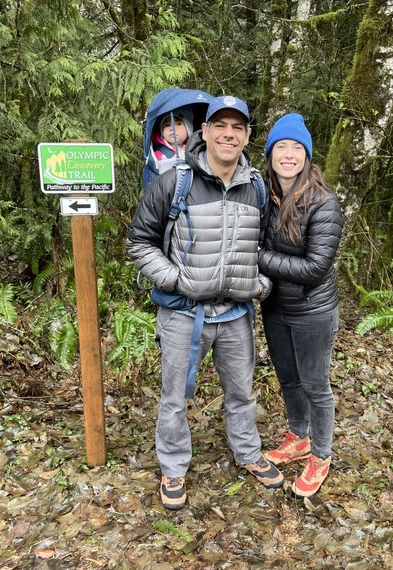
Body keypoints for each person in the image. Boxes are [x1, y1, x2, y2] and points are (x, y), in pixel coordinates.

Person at [127, 95, 283, 510]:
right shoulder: (175, 182)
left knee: (242, 392)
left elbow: (265, 245)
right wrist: (177, 280)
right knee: (174, 397)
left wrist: (260, 283)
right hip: (182, 313)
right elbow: (140, 242)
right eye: (220, 126)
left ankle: (248, 453)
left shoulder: (256, 188)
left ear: (247, 136)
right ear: (205, 131)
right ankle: (173, 467)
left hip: (235, 314)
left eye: (237, 128)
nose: (228, 134)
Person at [258, 113, 343, 498]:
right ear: (270, 154)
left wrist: (257, 257)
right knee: (288, 379)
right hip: (276, 306)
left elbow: (314, 268)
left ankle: (321, 455)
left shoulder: (323, 202)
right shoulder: (264, 195)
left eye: (296, 148)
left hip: (312, 311)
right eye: (281, 147)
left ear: (306, 156)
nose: (288, 154)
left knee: (315, 385)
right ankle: (299, 435)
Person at [151, 107, 194, 175]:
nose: (172, 128)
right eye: (167, 125)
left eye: (179, 124)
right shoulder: (159, 154)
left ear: (188, 129)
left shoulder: (194, 150)